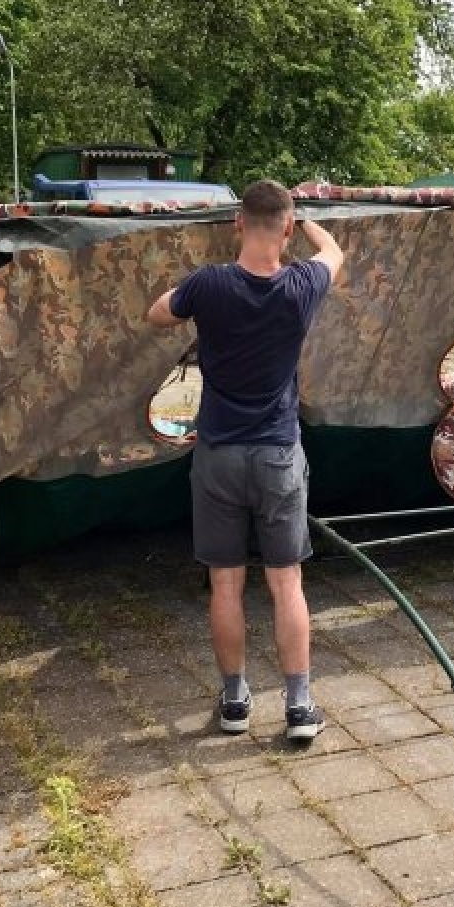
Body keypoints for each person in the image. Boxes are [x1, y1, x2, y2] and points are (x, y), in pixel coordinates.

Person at [146, 180, 342, 743]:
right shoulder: (303, 283)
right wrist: (308, 223)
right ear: (284, 228)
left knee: (225, 587)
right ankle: (299, 707)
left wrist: (185, 308)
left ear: (236, 223)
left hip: (219, 457)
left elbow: (157, 314)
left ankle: (235, 700)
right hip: (279, 454)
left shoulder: (209, 285)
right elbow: (334, 254)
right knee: (287, 585)